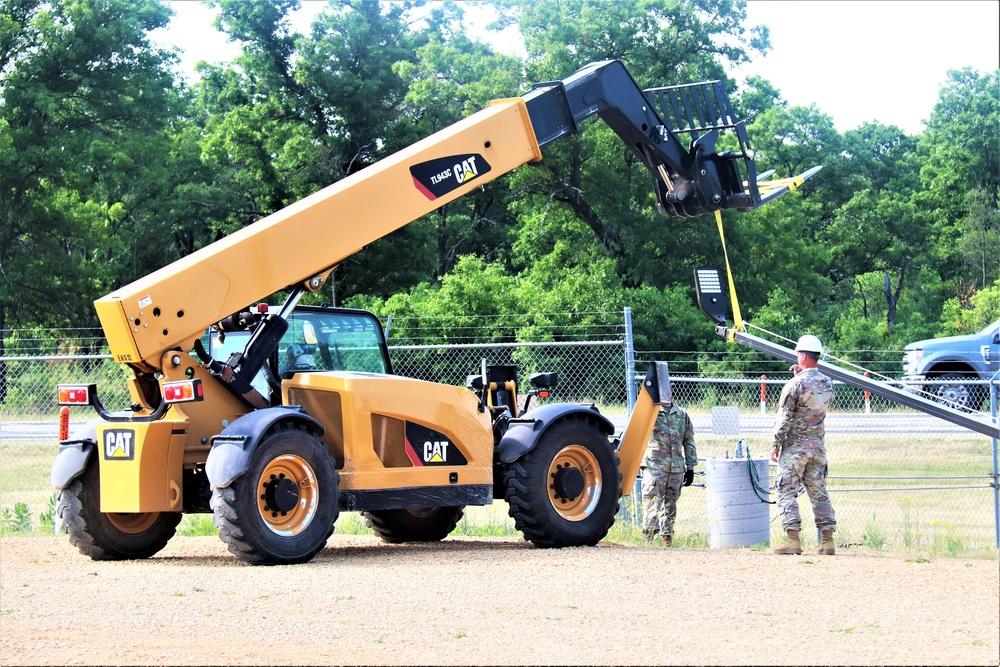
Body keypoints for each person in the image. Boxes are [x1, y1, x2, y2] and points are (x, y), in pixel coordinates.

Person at [771, 334, 837, 556]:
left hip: (795, 449)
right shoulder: (828, 383)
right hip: (817, 448)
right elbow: (815, 402)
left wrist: (775, 445)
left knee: (785, 490)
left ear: (803, 356)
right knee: (819, 492)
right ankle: (827, 541)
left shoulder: (794, 385)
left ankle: (793, 540)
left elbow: (784, 419)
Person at [641, 390, 697, 546]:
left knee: (670, 505)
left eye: (669, 389)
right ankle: (648, 540)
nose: (666, 392)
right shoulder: (651, 413)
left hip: (676, 467)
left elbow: (689, 441)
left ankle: (667, 540)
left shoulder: (681, 414)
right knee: (653, 503)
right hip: (655, 466)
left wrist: (690, 467)